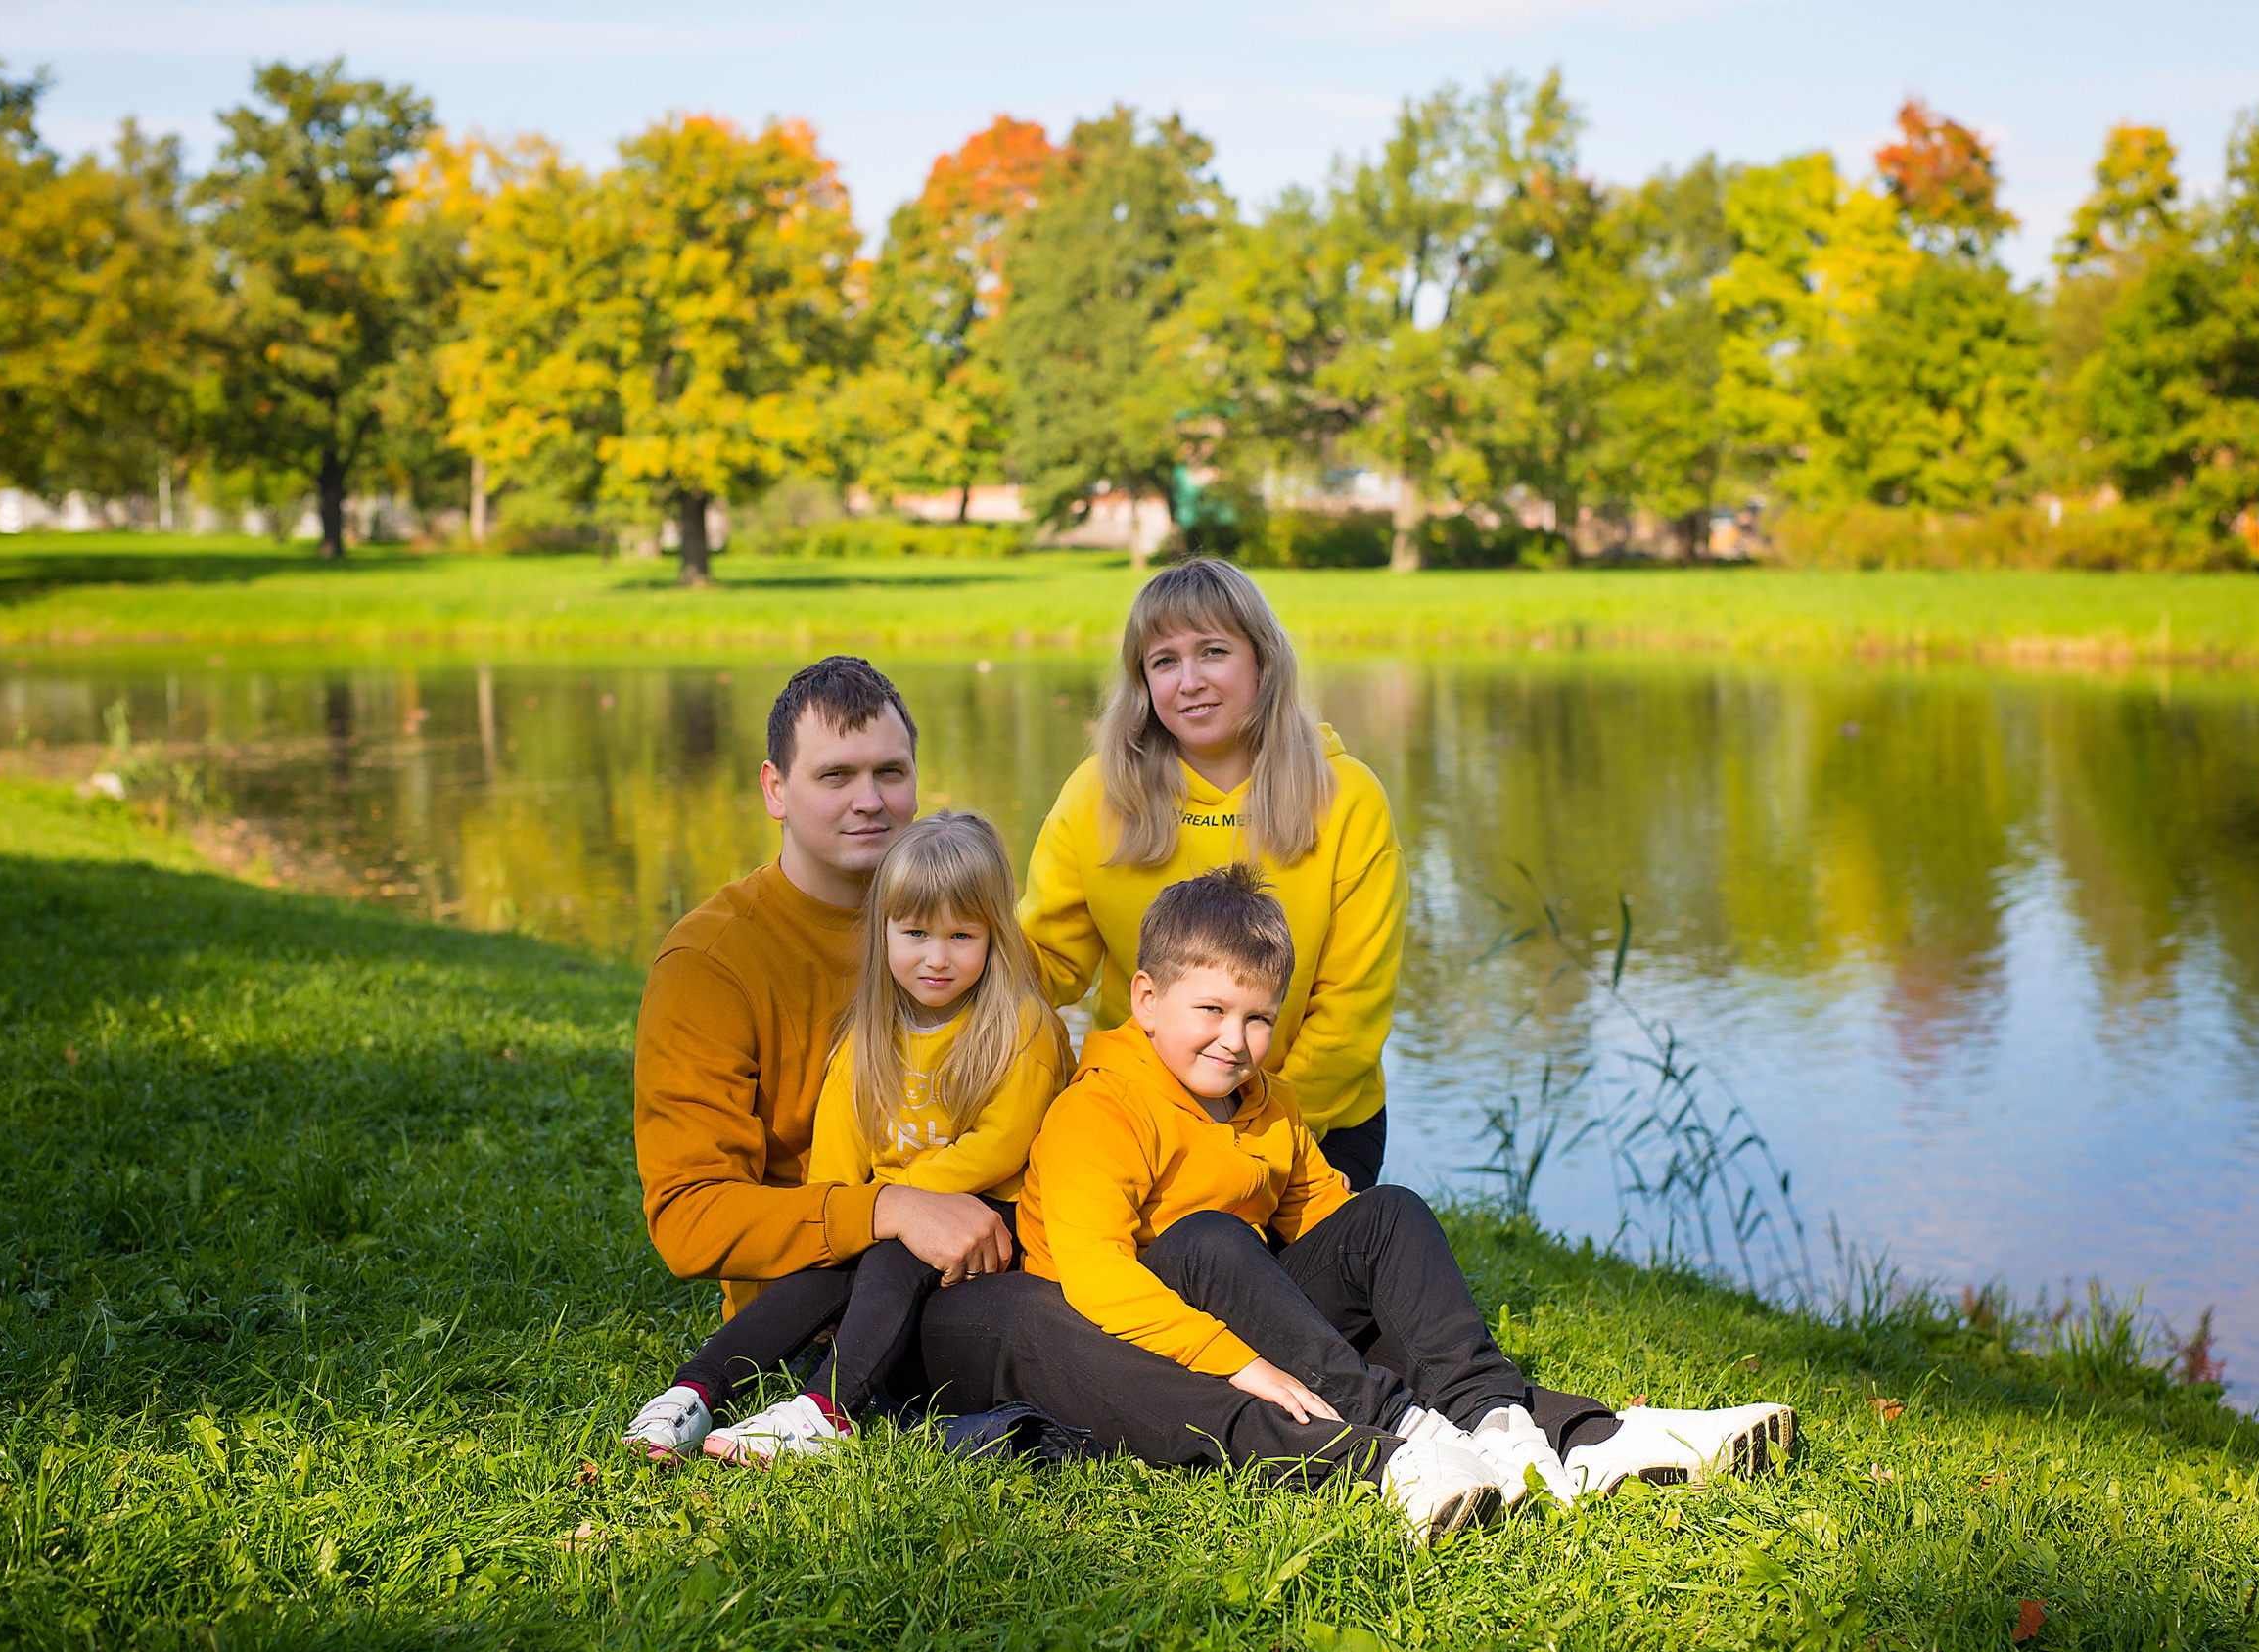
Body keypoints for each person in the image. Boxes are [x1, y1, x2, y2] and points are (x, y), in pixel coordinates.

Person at [966, 864, 1799, 1543]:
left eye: (1259, 1017)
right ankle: (1405, 1434)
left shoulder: (1270, 1101)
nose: (1235, 1039)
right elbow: (1096, 1277)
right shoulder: (1101, 1108)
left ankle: (1517, 1423)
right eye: (1211, 1009)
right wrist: (1244, 1363)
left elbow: (1331, 1227)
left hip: (1239, 1294)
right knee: (1216, 1239)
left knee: (1386, 1212)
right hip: (1140, 1322)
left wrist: (1387, 1289)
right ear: (1146, 1000)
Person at [622, 658, 1015, 1462]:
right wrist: (890, 1207)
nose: (870, 800)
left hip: (968, 1264)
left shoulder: (966, 935)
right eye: (835, 774)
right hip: (812, 1313)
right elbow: (689, 1220)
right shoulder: (711, 960)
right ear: (775, 789)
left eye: (890, 772)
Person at [634, 813, 1072, 1466]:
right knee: (831, 1259)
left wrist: (896, 1203)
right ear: (884, 931)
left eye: (961, 934)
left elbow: (1001, 1143)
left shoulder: (1019, 1025)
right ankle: (700, 1384)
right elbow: (836, 1162)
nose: (936, 955)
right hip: (898, 1207)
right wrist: (856, 1217)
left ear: (994, 936)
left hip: (988, 1214)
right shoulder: (868, 1035)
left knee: (893, 1249)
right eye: (915, 932)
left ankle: (827, 1410)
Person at [1019, 559, 1404, 1191]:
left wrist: (1246, 1134)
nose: (1188, 681)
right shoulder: (1096, 794)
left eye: (1214, 651)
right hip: (1141, 1114)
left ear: (1263, 660)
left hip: (1311, 1120)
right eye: (1164, 660)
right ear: (1142, 681)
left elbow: (1351, 1012)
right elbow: (1044, 965)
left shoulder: (1347, 797)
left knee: (1274, 1278)